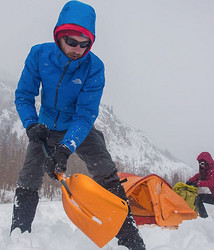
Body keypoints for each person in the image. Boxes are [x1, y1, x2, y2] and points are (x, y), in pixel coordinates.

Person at [11, 1, 146, 249]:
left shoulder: (95, 67)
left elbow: (85, 115)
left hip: (77, 126)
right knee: (28, 176)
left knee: (105, 168)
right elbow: (24, 94)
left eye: (85, 44)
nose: (78, 49)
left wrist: (65, 148)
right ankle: (19, 236)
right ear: (59, 36)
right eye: (72, 42)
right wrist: (31, 125)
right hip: (44, 126)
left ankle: (130, 238)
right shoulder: (39, 55)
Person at [186, 152, 214, 218]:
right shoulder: (206, 171)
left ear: (207, 161)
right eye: (200, 164)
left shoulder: (212, 170)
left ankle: (204, 219)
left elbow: (212, 182)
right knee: (198, 198)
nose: (201, 165)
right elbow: (198, 176)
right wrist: (190, 181)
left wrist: (198, 184)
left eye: (202, 163)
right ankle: (204, 219)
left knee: (199, 198)